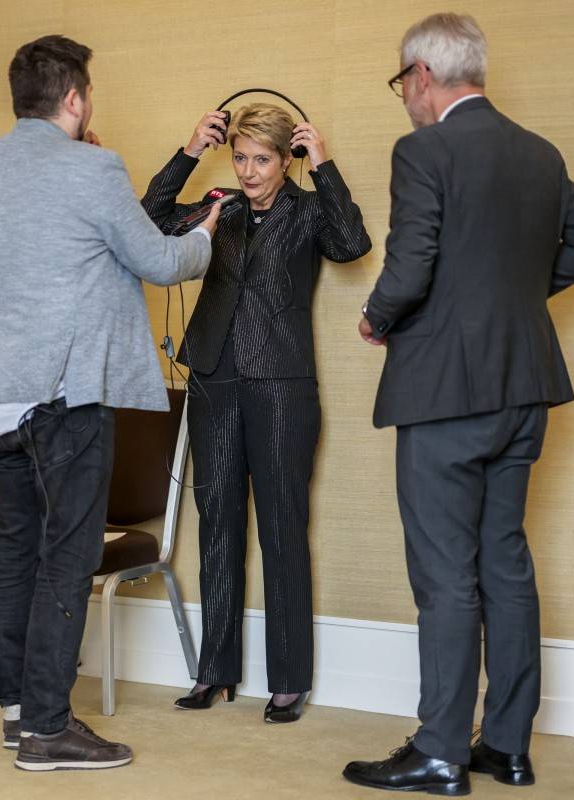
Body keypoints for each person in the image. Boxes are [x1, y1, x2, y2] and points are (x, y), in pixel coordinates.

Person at [342, 13, 574, 795]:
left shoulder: (424, 149)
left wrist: (377, 316)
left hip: (444, 392)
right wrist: (513, 296)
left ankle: (438, 750)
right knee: (505, 561)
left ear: (424, 76)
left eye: (403, 83)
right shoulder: (540, 153)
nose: (404, 98)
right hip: (524, 386)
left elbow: (413, 259)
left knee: (444, 574)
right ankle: (505, 746)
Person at [0, 34, 219, 771]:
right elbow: (160, 261)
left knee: (15, 546)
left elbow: (41, 251)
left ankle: (17, 712)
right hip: (63, 392)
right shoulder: (94, 167)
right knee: (67, 553)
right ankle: (47, 729)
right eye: (87, 95)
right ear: (74, 99)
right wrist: (206, 234)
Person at [142, 102, 371, 723]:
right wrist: (191, 150)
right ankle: (214, 672)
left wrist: (322, 164)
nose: (247, 170)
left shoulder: (307, 211)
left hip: (281, 388)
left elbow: (352, 245)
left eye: (261, 159)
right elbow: (148, 221)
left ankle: (289, 678)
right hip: (215, 379)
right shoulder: (223, 204)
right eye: (240, 157)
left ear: (286, 158)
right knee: (216, 528)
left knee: (282, 532)